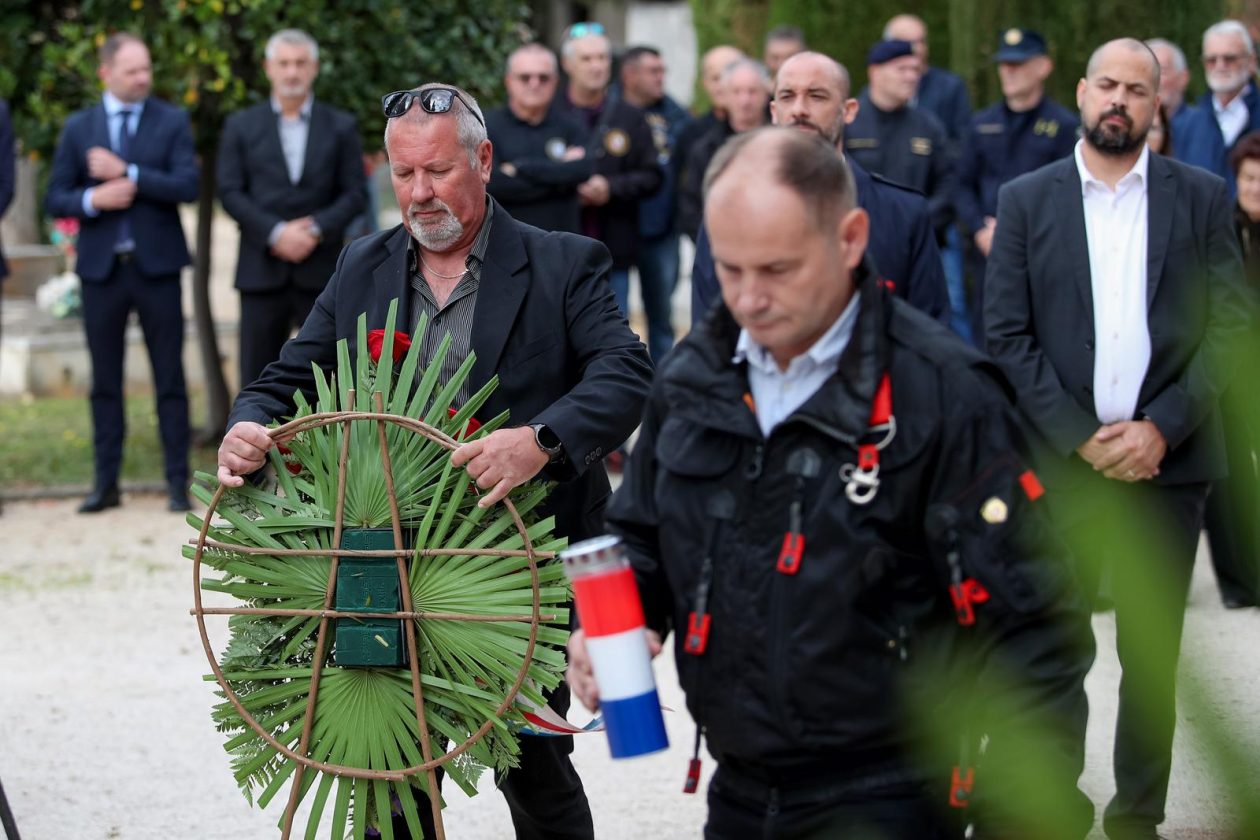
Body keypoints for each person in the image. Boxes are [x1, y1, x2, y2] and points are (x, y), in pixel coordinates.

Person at [569, 126, 1094, 840]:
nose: (749, 300)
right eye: (729, 269)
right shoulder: (692, 376)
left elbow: (1038, 633)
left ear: (851, 240)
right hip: (741, 795)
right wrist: (620, 616)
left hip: (892, 796)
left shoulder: (944, 394)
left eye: (778, 269)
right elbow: (643, 532)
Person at [216, 81, 653, 840]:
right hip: (387, 564)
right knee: (391, 781)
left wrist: (541, 441)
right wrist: (248, 425)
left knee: (537, 772)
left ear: (484, 160)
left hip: (524, 566)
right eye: (403, 174)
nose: (419, 193)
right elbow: (285, 379)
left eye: (439, 171)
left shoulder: (564, 261)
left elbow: (624, 373)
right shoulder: (361, 265)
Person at [984, 39, 1252, 840]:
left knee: (1151, 660)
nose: (1120, 100)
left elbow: (1233, 323)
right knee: (1055, 650)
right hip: (1061, 466)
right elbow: (1006, 333)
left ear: (1157, 104)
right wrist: (1078, 438)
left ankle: (1138, 816)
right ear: (1082, 89)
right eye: (1108, 84)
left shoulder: (1201, 197)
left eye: (1138, 90)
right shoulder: (1028, 198)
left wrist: (1160, 428)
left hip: (1167, 468)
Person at [45, 32, 198, 514]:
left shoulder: (171, 120)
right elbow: (56, 197)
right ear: (105, 73)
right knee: (105, 383)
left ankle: (177, 485)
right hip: (101, 271)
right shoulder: (78, 127)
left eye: (147, 68)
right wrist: (94, 199)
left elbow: (187, 185)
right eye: (133, 70)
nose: (143, 78)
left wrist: (128, 173)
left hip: (158, 269)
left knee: (170, 378)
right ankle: (105, 485)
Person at [692, 51, 948, 326]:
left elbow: (930, 334)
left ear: (848, 111)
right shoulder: (731, 212)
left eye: (817, 96)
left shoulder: (903, 214)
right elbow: (708, 336)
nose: (800, 109)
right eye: (788, 96)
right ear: (774, 112)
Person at [217, 29, 365, 390]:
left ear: (314, 68)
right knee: (257, 375)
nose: (292, 72)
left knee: (328, 378)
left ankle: (326, 448)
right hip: (261, 270)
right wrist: (277, 232)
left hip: (322, 272)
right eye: (284, 64)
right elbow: (230, 191)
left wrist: (314, 229)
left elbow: (355, 193)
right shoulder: (241, 126)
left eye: (300, 63)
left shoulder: (341, 126)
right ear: (269, 68)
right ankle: (256, 448)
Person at [955, 28, 1078, 335]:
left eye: (1018, 64)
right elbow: (961, 184)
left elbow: (1068, 192)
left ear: (1043, 67)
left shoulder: (1063, 126)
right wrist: (980, 230)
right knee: (989, 337)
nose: (1008, 72)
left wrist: (1021, 234)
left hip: (1040, 256)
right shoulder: (982, 124)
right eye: (1004, 64)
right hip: (989, 254)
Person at [551, 25, 662, 321]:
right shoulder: (549, 114)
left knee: (612, 336)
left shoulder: (630, 116)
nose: (597, 66)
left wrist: (610, 187)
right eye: (587, 59)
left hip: (614, 252)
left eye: (602, 58)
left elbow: (652, 176)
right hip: (555, 251)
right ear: (567, 64)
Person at [1200, 130, 1260, 609]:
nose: (1256, 188)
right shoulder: (1221, 227)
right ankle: (1242, 582)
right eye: (1249, 178)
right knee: (1231, 471)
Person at [619, 45, 691, 363]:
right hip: (615, 231)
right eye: (654, 71)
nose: (662, 78)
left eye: (663, 71)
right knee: (615, 320)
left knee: (661, 317)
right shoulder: (608, 111)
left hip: (661, 231)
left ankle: (662, 391)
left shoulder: (676, 116)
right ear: (630, 75)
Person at [847, 39, 955, 240]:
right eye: (901, 69)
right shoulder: (849, 122)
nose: (911, 77)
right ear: (875, 72)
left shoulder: (928, 126)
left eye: (915, 70)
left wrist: (919, 220)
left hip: (917, 239)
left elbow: (948, 183)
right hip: (861, 239)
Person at [486, 43, 590, 233]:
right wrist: (560, 176)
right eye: (525, 77)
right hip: (505, 243)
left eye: (544, 78)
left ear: (556, 81)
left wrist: (520, 168)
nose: (535, 84)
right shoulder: (487, 126)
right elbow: (491, 184)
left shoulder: (572, 125)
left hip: (561, 243)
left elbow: (583, 170)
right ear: (509, 81)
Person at [677, 59, 769, 242]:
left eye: (752, 91)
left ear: (766, 94)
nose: (745, 100)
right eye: (737, 92)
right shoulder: (705, 149)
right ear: (725, 96)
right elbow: (690, 208)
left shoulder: (787, 144)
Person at [1175, 20, 1260, 198]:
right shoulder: (1185, 125)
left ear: (1251, 61)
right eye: (1211, 60)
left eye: (1230, 58)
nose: (1220, 66)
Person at [883, 13, 972, 144]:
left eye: (921, 41)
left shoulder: (950, 87)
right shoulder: (879, 90)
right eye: (909, 43)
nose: (918, 49)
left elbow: (963, 141)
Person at [675, 44, 744, 196]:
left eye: (729, 76)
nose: (722, 86)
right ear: (704, 82)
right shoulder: (690, 133)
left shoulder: (766, 128)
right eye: (715, 78)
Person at [1145, 38, 1196, 136]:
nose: (1152, 80)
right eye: (1145, 73)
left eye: (1161, 72)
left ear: (1183, 78)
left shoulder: (1200, 125)